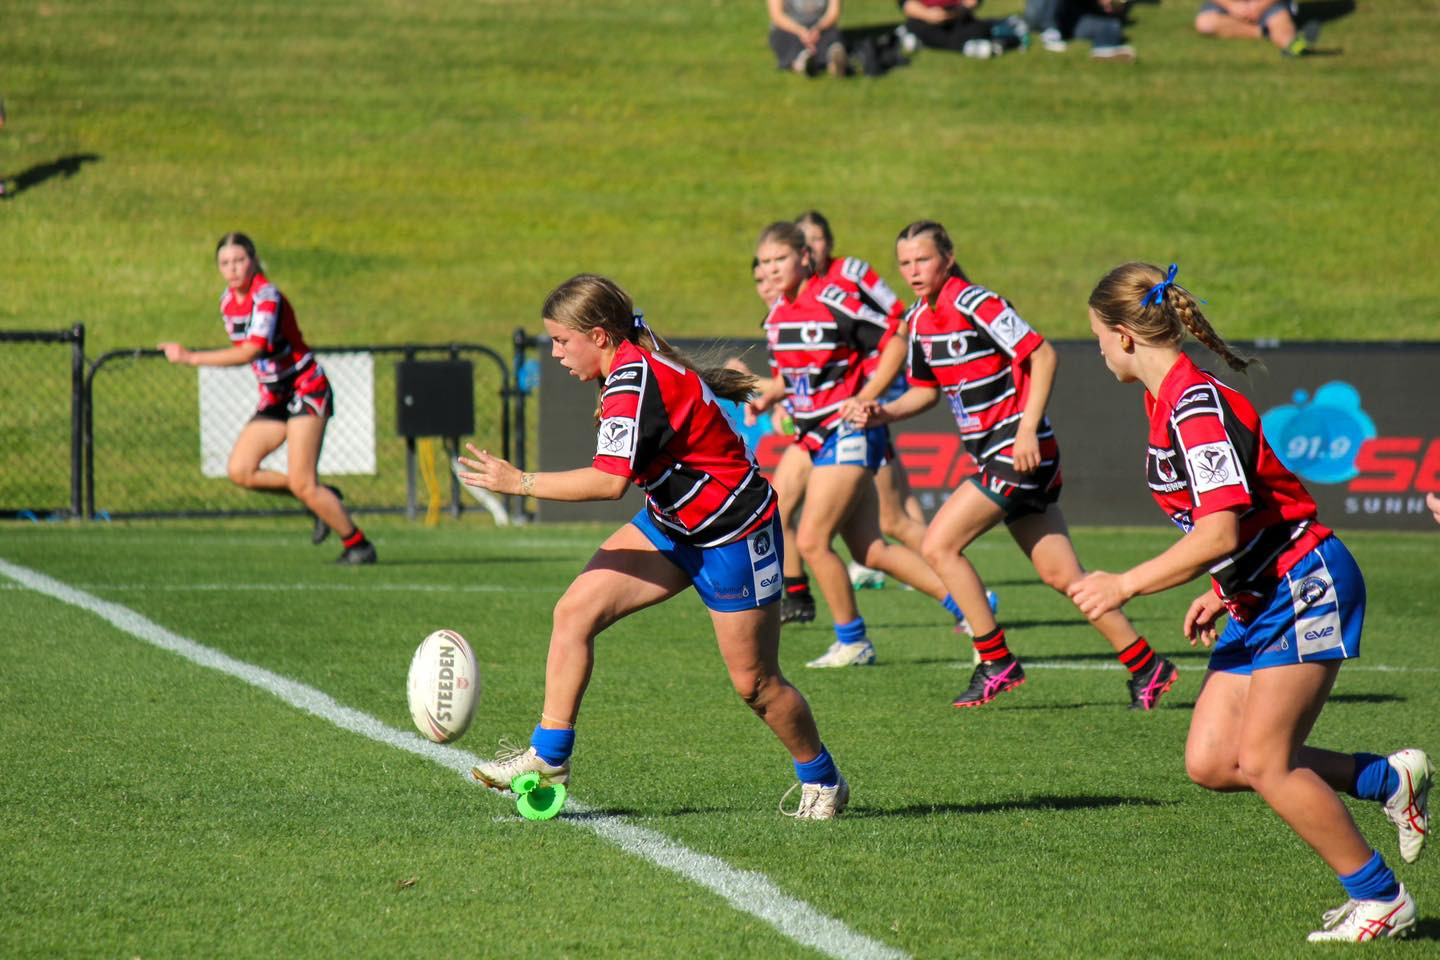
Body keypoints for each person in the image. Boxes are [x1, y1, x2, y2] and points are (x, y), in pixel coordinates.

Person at [1070, 261, 1429, 940]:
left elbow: (1218, 529)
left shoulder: (1192, 404)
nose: (1094, 350)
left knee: (1266, 761)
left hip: (1303, 581)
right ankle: (1387, 780)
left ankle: (1382, 899)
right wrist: (1220, 586)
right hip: (1258, 591)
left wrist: (1124, 584)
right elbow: (1230, 524)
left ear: (1122, 336)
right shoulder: (1167, 400)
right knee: (1213, 761)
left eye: (1094, 335)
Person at [460, 273, 849, 820]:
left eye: (561, 341)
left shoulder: (630, 380)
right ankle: (547, 759)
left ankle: (823, 779)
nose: (554, 354)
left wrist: (518, 482)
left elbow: (607, 482)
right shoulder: (624, 360)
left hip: (733, 534)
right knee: (574, 612)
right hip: (672, 524)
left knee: (755, 684)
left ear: (598, 336)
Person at [845, 221, 1177, 709]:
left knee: (938, 544)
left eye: (923, 259)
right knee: (1063, 576)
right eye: (905, 263)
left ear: (949, 257)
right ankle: (1147, 667)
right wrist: (886, 411)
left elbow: (1043, 355)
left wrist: (1026, 428)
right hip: (1001, 453)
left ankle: (995, 660)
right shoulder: (917, 320)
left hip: (1018, 449)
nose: (913, 270)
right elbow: (926, 391)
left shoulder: (978, 303)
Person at [752, 221, 965, 669]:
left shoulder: (832, 301)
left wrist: (867, 397)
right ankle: (969, 602)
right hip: (813, 436)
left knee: (811, 540)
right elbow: (796, 381)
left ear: (803, 258)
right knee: (871, 550)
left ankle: (853, 640)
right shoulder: (774, 316)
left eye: (780, 260)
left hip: (846, 432)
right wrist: (770, 394)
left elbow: (895, 337)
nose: (770, 270)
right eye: (764, 263)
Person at [159, 232, 375, 564]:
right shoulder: (227, 302)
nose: (232, 269)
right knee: (241, 470)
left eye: (239, 260)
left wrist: (190, 357)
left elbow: (252, 350)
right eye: (225, 263)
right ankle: (322, 498)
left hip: (306, 389)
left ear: (254, 260)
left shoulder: (266, 296)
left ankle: (358, 545)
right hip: (276, 397)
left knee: (304, 483)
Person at [898, 0, 1029, 59]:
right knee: (915, 26)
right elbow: (906, 4)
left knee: (978, 29)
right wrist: (928, 14)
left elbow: (972, 2)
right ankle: (968, 47)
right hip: (925, 18)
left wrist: (954, 12)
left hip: (957, 17)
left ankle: (923, 42)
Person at [1194, 0, 1316, 57]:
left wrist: (1258, 6)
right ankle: (1264, 31)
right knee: (1205, 23)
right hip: (1231, 4)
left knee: (1280, 25)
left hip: (1269, 3)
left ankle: (1295, 44)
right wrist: (1232, 6)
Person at [1026, 0, 1135, 60]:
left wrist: (1114, 6)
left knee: (1111, 25)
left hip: (1073, 18)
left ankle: (1105, 49)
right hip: (1043, 12)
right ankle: (1050, 30)